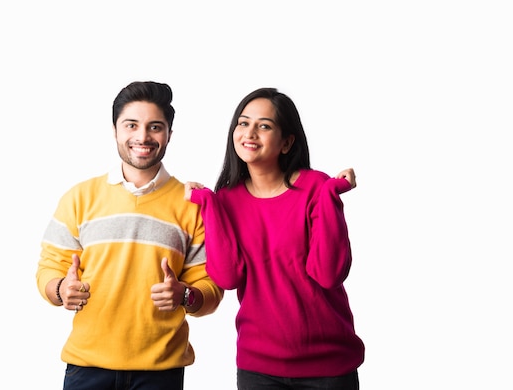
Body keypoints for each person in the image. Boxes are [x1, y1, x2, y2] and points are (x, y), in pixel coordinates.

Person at [36, 81, 224, 390]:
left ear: (169, 135)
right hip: (87, 365)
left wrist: (185, 295)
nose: (142, 137)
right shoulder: (80, 197)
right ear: (115, 130)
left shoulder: (192, 205)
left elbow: (212, 286)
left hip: (161, 371)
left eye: (155, 127)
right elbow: (49, 268)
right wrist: (60, 290)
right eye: (131, 125)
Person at [185, 87, 365, 389]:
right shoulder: (226, 200)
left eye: (264, 125)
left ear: (286, 142)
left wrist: (331, 196)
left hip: (328, 366)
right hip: (259, 369)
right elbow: (227, 277)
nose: (250, 132)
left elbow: (329, 272)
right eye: (243, 123)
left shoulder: (316, 188)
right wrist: (209, 204)